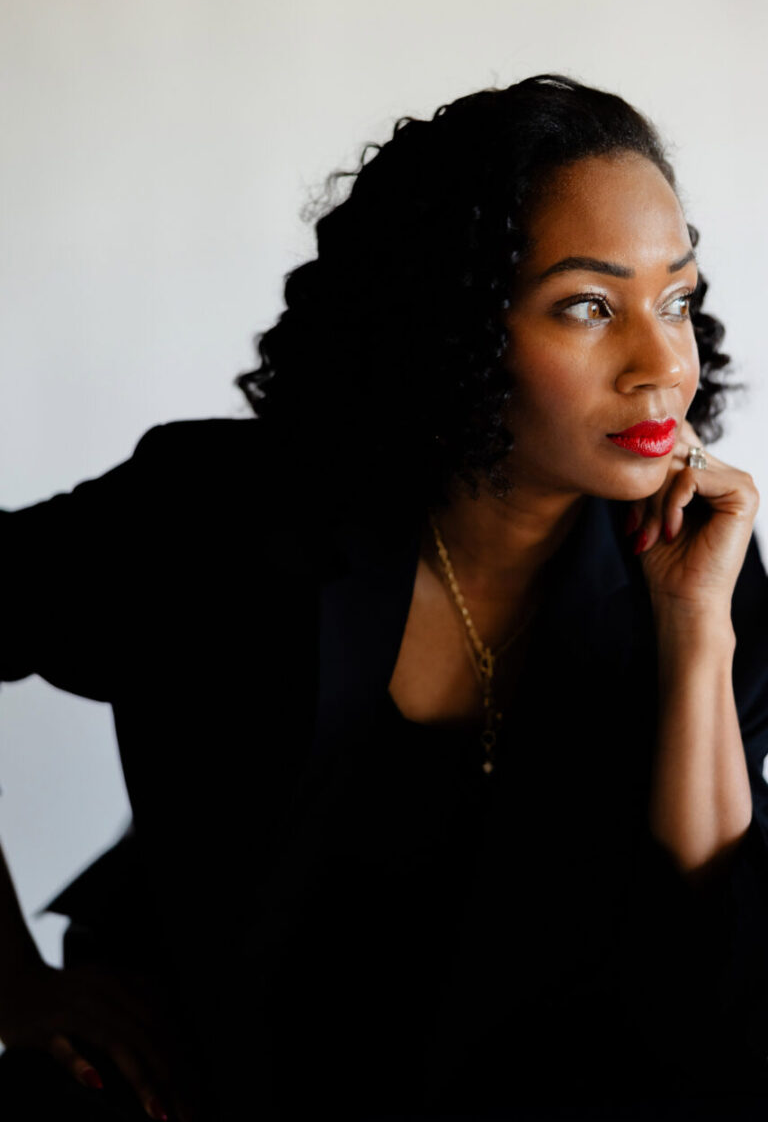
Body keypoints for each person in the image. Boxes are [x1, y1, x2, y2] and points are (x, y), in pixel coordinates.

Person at [1, 73, 767, 1122]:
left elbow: (711, 961)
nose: (663, 363)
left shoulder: (698, 558)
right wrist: (13, 974)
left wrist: (695, 632)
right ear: (454, 321)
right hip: (204, 1088)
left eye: (677, 297)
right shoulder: (223, 517)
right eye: (589, 305)